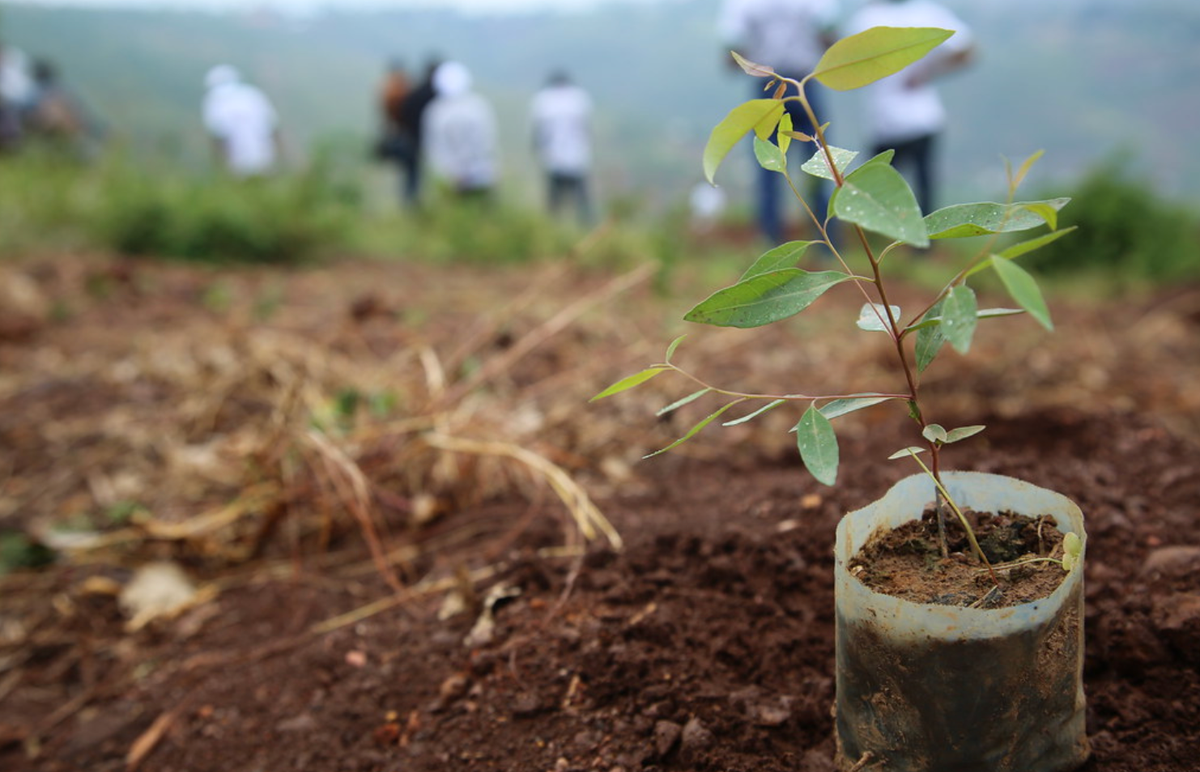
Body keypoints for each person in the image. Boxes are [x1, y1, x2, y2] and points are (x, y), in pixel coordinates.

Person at [717, 0, 840, 245]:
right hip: (805, 86)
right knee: (821, 165)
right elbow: (829, 36)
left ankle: (771, 239)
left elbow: (731, 52)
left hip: (768, 88)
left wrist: (755, 60)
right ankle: (829, 242)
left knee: (769, 167)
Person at [843, 0, 976, 214]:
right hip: (894, 121)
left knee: (892, 192)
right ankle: (912, 242)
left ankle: (915, 242)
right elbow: (966, 48)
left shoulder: (872, 17)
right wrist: (929, 70)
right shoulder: (922, 13)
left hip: (908, 119)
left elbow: (967, 49)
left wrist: (928, 71)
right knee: (905, 189)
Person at [422, 61, 498, 199]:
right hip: (479, 174)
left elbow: (435, 148)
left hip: (451, 177)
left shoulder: (435, 111)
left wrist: (447, 172)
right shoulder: (479, 107)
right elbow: (487, 142)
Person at [530, 70, 594, 225]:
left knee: (554, 203)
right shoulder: (579, 99)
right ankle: (587, 229)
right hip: (577, 157)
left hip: (553, 158)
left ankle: (551, 230)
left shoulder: (543, 101)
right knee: (581, 201)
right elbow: (586, 128)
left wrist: (538, 150)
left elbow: (538, 134)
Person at [201, 64, 281, 177]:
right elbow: (274, 130)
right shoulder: (254, 95)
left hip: (236, 168)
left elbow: (217, 139)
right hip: (266, 162)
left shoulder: (214, 102)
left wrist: (220, 170)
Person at [395, 56, 442, 207]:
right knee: (434, 176)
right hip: (434, 144)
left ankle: (411, 206)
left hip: (412, 140)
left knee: (413, 178)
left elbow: (404, 115)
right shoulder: (439, 96)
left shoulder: (414, 94)